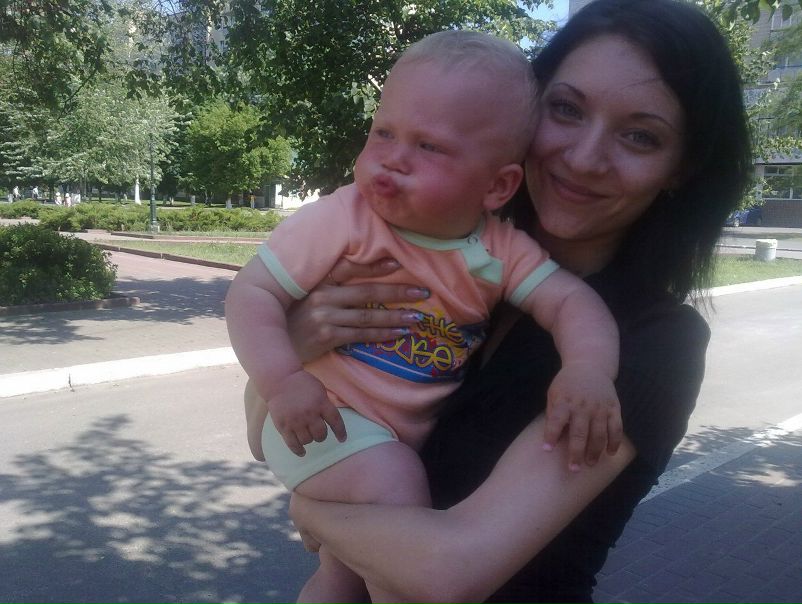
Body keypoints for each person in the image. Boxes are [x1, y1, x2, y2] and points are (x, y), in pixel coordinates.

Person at [285, 0, 753, 602]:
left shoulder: (653, 341)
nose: (584, 158)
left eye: (640, 136)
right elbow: (272, 429)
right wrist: (294, 344)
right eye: (567, 109)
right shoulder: (459, 264)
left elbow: (451, 571)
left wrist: (315, 514)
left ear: (680, 169)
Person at [226, 30, 623, 603]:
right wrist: (283, 379)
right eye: (383, 132)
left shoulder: (499, 249)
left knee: (341, 577)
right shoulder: (344, 218)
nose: (393, 158)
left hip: (389, 437)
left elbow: (571, 302)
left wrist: (587, 369)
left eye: (429, 147)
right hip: (323, 420)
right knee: (397, 504)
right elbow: (252, 293)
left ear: (498, 185)